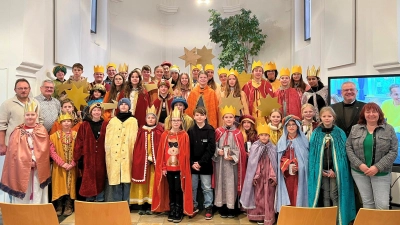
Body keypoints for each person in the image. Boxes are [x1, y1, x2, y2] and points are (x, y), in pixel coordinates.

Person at [308, 107, 356, 225]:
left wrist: (335, 170)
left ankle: (337, 219)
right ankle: (326, 219)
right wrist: (320, 170)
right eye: (324, 116)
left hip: (335, 172)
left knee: (334, 194)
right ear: (320, 118)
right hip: (322, 171)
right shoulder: (316, 133)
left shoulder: (339, 133)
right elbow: (313, 155)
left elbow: (342, 156)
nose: (327, 118)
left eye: (329, 116)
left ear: (333, 118)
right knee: (325, 194)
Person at [346, 103, 398, 209]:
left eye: (374, 111)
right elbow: (348, 147)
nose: (371, 114)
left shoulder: (389, 129)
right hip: (359, 172)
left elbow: (393, 151)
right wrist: (359, 165)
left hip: (381, 172)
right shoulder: (355, 128)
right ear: (363, 114)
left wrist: (377, 167)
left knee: (382, 205)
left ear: (379, 113)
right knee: (367, 203)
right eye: (368, 112)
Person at [0, 102, 50, 203]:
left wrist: (36, 161)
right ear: (24, 116)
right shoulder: (17, 131)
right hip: (21, 167)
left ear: (36, 116)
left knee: (36, 189)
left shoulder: (41, 130)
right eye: (27, 115)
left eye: (32, 115)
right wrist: (26, 162)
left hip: (37, 167)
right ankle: (22, 214)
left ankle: (36, 213)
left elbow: (44, 149)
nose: (30, 117)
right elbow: (14, 151)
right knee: (23, 188)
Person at [152, 107, 193, 223]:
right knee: (171, 189)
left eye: (178, 120)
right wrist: (163, 167)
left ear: (181, 122)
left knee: (178, 189)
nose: (176, 123)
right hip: (168, 169)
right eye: (173, 120)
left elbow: (186, 154)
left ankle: (178, 210)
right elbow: (162, 153)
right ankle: (172, 209)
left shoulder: (184, 135)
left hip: (180, 169)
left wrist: (183, 169)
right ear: (170, 122)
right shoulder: (165, 135)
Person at [213, 105, 247, 218]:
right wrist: (218, 151)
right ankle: (222, 207)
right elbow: (213, 146)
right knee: (220, 183)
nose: (228, 119)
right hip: (220, 163)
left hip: (232, 166)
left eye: (230, 117)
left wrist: (233, 156)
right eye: (226, 117)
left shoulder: (238, 133)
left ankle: (231, 208)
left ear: (234, 119)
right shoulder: (218, 131)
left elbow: (241, 151)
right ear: (223, 118)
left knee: (231, 184)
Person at [240, 123, 277, 225]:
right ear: (258, 136)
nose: (264, 137)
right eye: (262, 135)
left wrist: (273, 176)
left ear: (269, 136)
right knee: (257, 196)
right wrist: (255, 175)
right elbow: (252, 163)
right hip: (258, 177)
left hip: (269, 177)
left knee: (269, 197)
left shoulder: (273, 148)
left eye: (266, 135)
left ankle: (268, 217)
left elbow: (274, 163)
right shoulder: (255, 147)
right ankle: (257, 216)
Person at [131, 105, 164, 214]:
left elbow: (160, 146)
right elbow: (138, 147)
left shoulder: (159, 131)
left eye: (153, 118)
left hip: (154, 163)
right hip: (142, 162)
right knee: (142, 183)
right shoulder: (141, 131)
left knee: (153, 182)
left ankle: (151, 204)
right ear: (145, 119)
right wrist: (143, 158)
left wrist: (152, 158)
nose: (151, 120)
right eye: (149, 118)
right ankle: (142, 204)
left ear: (156, 119)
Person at [0, 79, 42, 160]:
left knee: (31, 171)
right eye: (20, 88)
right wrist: (2, 145)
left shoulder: (35, 102)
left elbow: (40, 120)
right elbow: (1, 125)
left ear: (29, 89)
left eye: (26, 88)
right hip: (14, 145)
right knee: (15, 170)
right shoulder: (7, 104)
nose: (23, 90)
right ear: (15, 90)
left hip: (33, 144)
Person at [105, 98, 138, 202]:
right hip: (114, 153)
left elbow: (135, 137)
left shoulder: (133, 121)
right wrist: (109, 151)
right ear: (119, 106)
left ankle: (127, 202)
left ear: (129, 106)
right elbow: (108, 138)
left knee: (127, 177)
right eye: (121, 104)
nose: (123, 106)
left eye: (126, 104)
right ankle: (117, 202)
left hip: (128, 153)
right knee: (116, 177)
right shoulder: (113, 121)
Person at [73, 103, 108, 201]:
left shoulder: (106, 124)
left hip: (101, 157)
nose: (96, 112)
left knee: (100, 177)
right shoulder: (84, 125)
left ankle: (100, 199)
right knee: (88, 178)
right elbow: (79, 142)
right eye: (94, 110)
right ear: (91, 112)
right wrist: (78, 158)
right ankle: (89, 200)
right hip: (88, 158)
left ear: (101, 112)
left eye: (98, 110)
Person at [276, 115, 309, 212]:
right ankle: (288, 215)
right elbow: (279, 158)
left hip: (300, 175)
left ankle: (300, 214)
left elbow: (306, 158)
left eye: (293, 124)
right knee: (289, 193)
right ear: (285, 127)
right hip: (287, 175)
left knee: (298, 193)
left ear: (298, 126)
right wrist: (288, 164)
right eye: (289, 125)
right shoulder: (282, 142)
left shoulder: (303, 141)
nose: (291, 127)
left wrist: (299, 166)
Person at [187, 107, 215, 220]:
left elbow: (211, 148)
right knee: (193, 187)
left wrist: (201, 162)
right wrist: (193, 163)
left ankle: (208, 206)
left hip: (205, 164)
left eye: (201, 115)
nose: (199, 117)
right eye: (197, 115)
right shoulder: (190, 130)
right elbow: (187, 149)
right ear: (194, 116)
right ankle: (193, 205)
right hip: (193, 164)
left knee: (206, 187)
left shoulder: (210, 130)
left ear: (205, 116)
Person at [49, 112, 77, 216]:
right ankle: (59, 205)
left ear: (71, 122)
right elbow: (52, 151)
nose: (66, 123)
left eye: (68, 121)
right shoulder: (53, 136)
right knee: (59, 184)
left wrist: (73, 163)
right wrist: (62, 163)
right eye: (64, 121)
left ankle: (69, 205)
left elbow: (78, 150)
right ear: (60, 123)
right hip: (59, 166)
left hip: (72, 165)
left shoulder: (76, 135)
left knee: (70, 185)